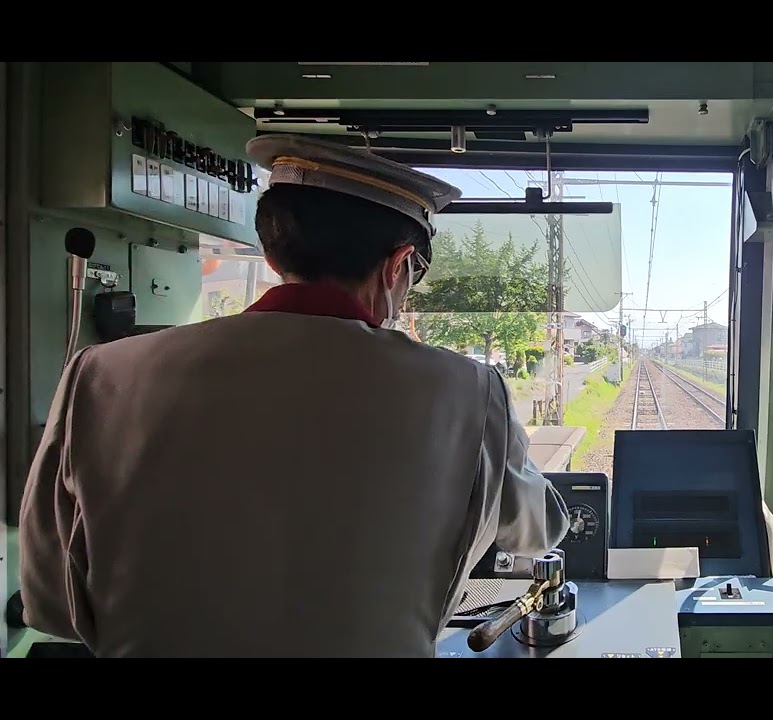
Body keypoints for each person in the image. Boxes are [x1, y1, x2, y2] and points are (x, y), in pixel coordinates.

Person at [18, 134, 570, 657]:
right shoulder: (469, 391)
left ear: (275, 254)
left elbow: (52, 605)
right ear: (397, 264)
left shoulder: (98, 375)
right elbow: (534, 530)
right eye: (413, 273)